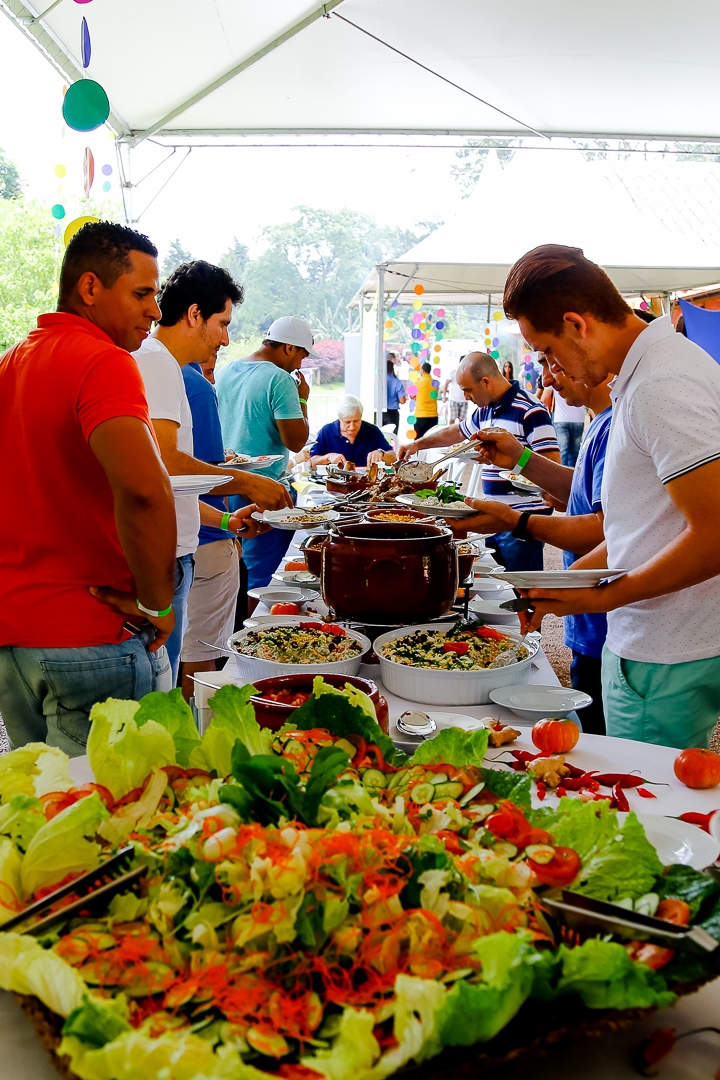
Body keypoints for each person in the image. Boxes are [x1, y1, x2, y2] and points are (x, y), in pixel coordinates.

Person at [502, 243, 720, 749]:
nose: (551, 369)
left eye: (548, 351)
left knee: (645, 811)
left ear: (577, 324)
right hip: (664, 643)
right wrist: (562, 583)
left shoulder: (661, 383)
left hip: (662, 647)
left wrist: (607, 595)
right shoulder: (651, 369)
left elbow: (714, 532)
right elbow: (641, 526)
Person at [0, 222, 177, 754]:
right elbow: (145, 491)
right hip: (92, 638)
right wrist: (159, 602)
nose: (154, 311)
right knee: (115, 820)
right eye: (142, 294)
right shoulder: (103, 361)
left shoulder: (11, 363)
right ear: (91, 288)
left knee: (45, 815)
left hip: (16, 640)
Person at [134, 261, 286, 682]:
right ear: (194, 313)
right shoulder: (157, 361)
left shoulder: (167, 365)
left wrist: (223, 517)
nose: (226, 337)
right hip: (165, 559)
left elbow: (166, 482)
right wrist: (249, 481)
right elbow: (167, 460)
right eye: (222, 323)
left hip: (179, 551)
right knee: (162, 687)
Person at [456, 357, 612, 735]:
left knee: (616, 747)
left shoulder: (619, 423)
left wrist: (516, 521)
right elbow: (574, 492)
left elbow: (609, 529)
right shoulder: (602, 421)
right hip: (591, 617)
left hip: (614, 620)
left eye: (553, 361)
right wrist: (521, 457)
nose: (545, 378)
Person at [399, 352, 559, 571]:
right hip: (495, 517)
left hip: (521, 520)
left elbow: (552, 464)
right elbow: (457, 432)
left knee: (523, 591)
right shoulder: (485, 410)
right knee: (500, 587)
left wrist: (514, 461)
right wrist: (418, 444)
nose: (465, 397)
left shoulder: (531, 410)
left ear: (485, 382)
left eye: (468, 390)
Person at [215, 316, 315, 591]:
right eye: (301, 357)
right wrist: (303, 398)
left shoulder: (224, 372)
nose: (299, 365)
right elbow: (296, 441)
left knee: (231, 572)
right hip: (264, 491)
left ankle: (236, 630)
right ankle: (257, 630)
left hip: (222, 489)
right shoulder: (280, 379)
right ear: (289, 348)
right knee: (265, 579)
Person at [310, 395, 397, 468]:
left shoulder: (371, 430)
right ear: (340, 418)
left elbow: (393, 458)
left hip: (365, 483)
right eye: (347, 422)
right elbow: (311, 463)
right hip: (334, 482)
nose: (352, 427)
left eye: (356, 421)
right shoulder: (327, 431)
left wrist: (382, 454)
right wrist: (328, 457)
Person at [548, 383, 586, 467]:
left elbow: (544, 399)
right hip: (578, 418)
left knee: (563, 452)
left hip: (560, 419)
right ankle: (573, 477)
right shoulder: (580, 376)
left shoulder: (554, 377)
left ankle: (560, 478)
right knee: (575, 453)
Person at [413, 362, 439, 437]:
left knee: (418, 441)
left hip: (420, 415)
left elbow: (412, 396)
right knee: (431, 440)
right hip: (433, 415)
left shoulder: (417, 382)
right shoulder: (435, 383)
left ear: (422, 370)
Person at [383, 356, 406, 433]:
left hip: (380, 412)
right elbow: (402, 401)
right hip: (392, 413)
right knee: (392, 437)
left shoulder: (379, 381)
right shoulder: (397, 382)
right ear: (392, 369)